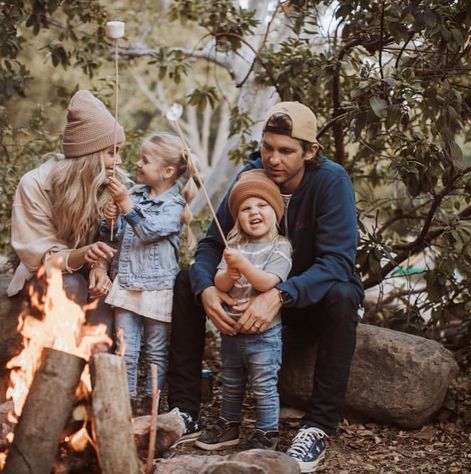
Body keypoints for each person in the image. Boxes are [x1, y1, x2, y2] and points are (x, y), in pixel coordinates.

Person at [166, 101, 363, 472]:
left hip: (305, 298)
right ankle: (185, 410)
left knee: (343, 293)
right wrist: (208, 290)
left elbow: (337, 261)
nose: (273, 159)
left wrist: (280, 294)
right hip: (248, 294)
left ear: (310, 151)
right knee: (187, 281)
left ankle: (318, 425)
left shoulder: (330, 182)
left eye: (286, 151)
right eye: (267, 147)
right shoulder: (252, 174)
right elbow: (212, 244)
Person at [8, 90, 126, 339]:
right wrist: (84, 254)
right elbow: (38, 260)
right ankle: (57, 374)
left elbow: (118, 240)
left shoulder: (115, 184)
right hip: (48, 277)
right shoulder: (35, 184)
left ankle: (100, 373)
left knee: (102, 333)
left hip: (95, 274)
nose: (120, 162)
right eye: (111, 152)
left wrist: (100, 264)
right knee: (71, 286)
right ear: (90, 155)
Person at [194, 170, 292, 451]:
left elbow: (268, 282)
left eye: (262, 205)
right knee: (231, 383)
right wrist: (231, 273)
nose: (254, 212)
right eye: (245, 208)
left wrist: (243, 266)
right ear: (237, 217)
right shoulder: (233, 246)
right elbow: (220, 281)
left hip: (264, 335)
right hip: (232, 332)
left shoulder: (281, 247)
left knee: (263, 386)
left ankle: (266, 432)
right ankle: (229, 424)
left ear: (275, 211)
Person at [101, 132, 197, 409]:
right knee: (125, 349)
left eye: (145, 160)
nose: (137, 164)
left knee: (155, 351)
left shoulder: (174, 206)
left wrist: (126, 206)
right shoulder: (134, 195)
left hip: (157, 287)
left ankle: (150, 404)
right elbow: (114, 236)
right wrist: (111, 219)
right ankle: (125, 403)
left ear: (167, 171)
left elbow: (150, 231)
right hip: (127, 282)